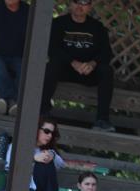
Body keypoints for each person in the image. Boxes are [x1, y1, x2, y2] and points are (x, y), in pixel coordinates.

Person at [41, 0, 115, 132]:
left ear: (89, 7)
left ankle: (102, 120)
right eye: (76, 1)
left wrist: (92, 64)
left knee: (107, 71)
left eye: (84, 2)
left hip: (88, 72)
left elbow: (106, 53)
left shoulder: (97, 27)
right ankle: (43, 112)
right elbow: (52, 49)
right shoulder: (59, 23)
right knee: (51, 66)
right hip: (65, 69)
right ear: (70, 4)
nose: (80, 6)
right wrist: (72, 62)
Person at [6, 118, 64, 191]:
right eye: (47, 131)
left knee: (47, 159)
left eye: (52, 133)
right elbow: (10, 165)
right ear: (36, 129)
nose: (50, 136)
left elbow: (61, 165)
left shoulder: (47, 151)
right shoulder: (18, 145)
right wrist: (33, 159)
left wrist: (52, 155)